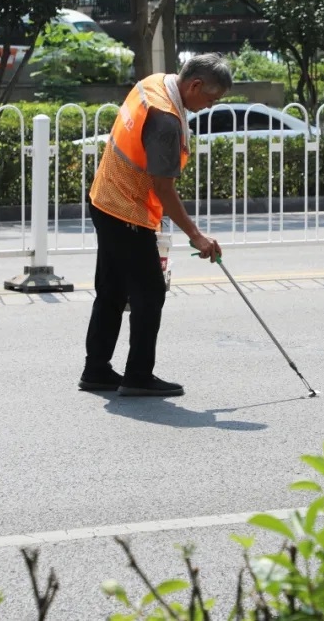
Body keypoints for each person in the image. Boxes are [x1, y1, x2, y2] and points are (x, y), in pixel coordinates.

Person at [80, 53, 231, 397]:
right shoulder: (165, 120)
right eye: (211, 99)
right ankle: (138, 376)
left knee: (112, 290)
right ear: (195, 85)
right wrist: (196, 236)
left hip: (104, 197)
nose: (209, 106)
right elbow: (163, 188)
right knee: (149, 293)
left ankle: (96, 370)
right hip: (127, 212)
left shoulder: (155, 83)